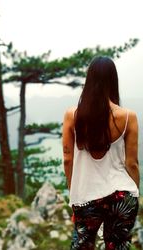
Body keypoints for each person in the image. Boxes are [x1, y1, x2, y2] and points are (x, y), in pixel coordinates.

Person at [62, 56, 140, 250]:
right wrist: (135, 193)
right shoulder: (128, 117)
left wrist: (74, 194)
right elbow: (132, 163)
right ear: (113, 80)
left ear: (89, 80)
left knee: (82, 246)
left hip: (86, 196)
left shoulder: (73, 115)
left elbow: (67, 159)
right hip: (122, 194)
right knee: (119, 246)